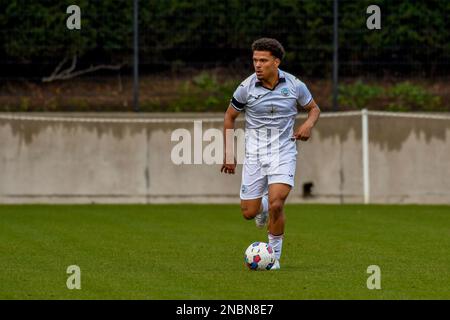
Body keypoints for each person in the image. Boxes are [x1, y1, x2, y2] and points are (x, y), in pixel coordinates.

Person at [220, 38, 320, 270]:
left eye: (263, 60)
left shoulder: (295, 85)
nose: (257, 65)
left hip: (283, 152)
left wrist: (308, 125)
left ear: (276, 62)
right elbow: (229, 117)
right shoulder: (245, 88)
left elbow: (314, 108)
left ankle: (273, 257)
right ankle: (260, 208)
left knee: (278, 203)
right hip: (254, 155)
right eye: (255, 60)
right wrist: (228, 153)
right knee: (248, 212)